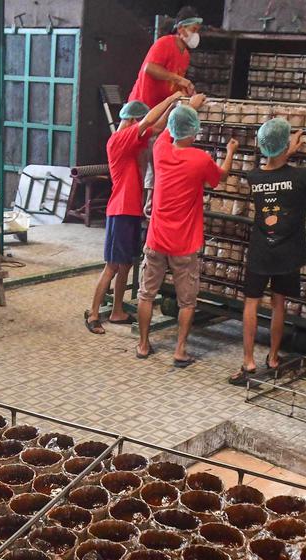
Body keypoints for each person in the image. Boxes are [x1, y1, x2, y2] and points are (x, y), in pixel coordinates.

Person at [228, 121, 306, 385]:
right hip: (288, 252)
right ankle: (273, 357)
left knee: (251, 303)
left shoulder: (254, 177)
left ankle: (248, 360)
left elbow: (274, 172)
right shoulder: (303, 176)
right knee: (279, 304)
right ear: (285, 145)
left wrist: (285, 150)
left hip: (260, 251)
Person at [136, 104, 237, 366]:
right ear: (194, 130)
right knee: (187, 301)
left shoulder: (160, 149)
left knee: (146, 293)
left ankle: (143, 344)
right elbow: (221, 176)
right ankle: (180, 350)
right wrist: (230, 152)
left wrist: (187, 104)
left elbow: (170, 129)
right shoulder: (200, 159)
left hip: (156, 239)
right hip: (184, 244)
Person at [85, 91, 194, 334]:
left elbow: (157, 128)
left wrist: (175, 110)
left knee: (125, 265)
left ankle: (116, 311)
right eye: (141, 120)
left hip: (131, 210)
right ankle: (93, 313)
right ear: (134, 121)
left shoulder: (133, 139)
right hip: (120, 210)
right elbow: (149, 123)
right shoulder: (120, 139)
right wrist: (170, 98)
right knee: (112, 265)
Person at [130, 7, 203, 212]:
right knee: (142, 159)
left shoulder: (185, 55)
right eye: (194, 29)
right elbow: (150, 68)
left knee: (157, 156)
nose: (196, 34)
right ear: (181, 29)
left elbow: (174, 83)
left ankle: (150, 204)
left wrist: (186, 89)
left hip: (162, 110)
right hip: (143, 107)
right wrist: (178, 79)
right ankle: (137, 204)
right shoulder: (165, 43)